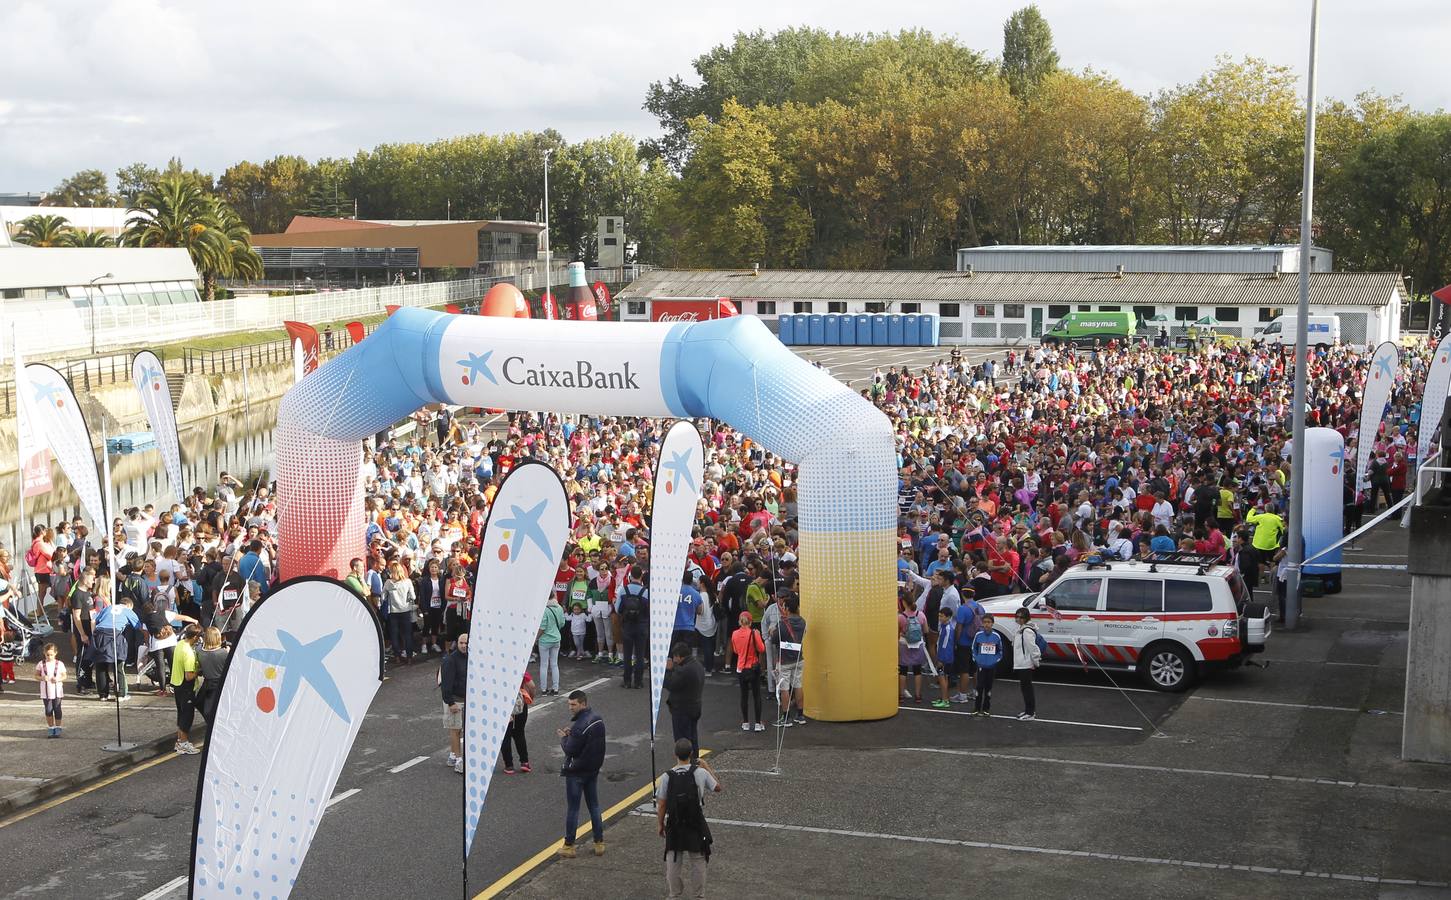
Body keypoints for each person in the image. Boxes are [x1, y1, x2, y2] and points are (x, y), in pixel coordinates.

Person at [656, 737, 721, 900]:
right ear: (691, 754)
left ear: (674, 754)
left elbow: (662, 804)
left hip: (675, 823)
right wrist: (706, 766)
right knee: (698, 860)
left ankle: (674, 894)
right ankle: (699, 896)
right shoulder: (700, 772)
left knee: (673, 860)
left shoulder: (666, 777)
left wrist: (660, 824)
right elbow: (718, 787)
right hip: (695, 822)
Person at [557, 689, 606, 858]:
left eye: (573, 704)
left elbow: (571, 749)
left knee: (573, 809)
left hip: (576, 772)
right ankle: (599, 843)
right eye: (569, 704)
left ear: (583, 704)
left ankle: (569, 846)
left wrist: (564, 738)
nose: (570, 708)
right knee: (594, 806)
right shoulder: (597, 719)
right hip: (592, 770)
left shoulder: (578, 727)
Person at [664, 642, 706, 761]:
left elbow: (670, 684)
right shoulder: (697, 665)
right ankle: (694, 761)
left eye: (674, 657)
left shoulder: (684, 670)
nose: (674, 660)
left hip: (682, 710)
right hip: (695, 707)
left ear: (679, 656)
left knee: (682, 740)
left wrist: (668, 670)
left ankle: (685, 765)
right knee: (693, 737)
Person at [769, 593, 806, 726]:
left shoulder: (783, 624)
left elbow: (774, 640)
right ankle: (800, 715)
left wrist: (772, 631)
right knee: (798, 685)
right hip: (798, 658)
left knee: (784, 688)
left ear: (787, 608)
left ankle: (786, 717)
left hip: (784, 660)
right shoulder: (802, 622)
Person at [171, 625, 203, 754]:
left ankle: (179, 741)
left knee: (181, 713)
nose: (199, 639)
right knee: (187, 715)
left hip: (176, 684)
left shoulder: (180, 644)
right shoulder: (189, 653)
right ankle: (183, 743)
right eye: (199, 637)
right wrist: (199, 671)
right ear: (195, 637)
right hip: (186, 687)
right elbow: (189, 676)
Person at [616, 566, 649, 689]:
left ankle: (627, 680)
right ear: (641, 576)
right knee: (640, 655)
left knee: (627, 654)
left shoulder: (624, 590)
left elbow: (618, 608)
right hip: (641, 626)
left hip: (627, 626)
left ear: (630, 576)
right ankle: (638, 681)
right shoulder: (645, 592)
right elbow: (649, 610)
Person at [441, 632, 468, 774]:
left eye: (466, 643)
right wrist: (450, 703)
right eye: (461, 643)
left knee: (462, 730)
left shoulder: (472, 658)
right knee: (456, 730)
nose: (464, 646)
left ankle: (452, 756)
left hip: (467, 700)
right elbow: (446, 684)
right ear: (457, 643)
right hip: (455, 701)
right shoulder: (450, 660)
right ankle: (458, 760)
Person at [501, 671, 535, 775]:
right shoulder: (519, 666)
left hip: (503, 702)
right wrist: (530, 698)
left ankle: (509, 765)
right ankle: (524, 762)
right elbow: (532, 686)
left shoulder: (497, 668)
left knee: (505, 735)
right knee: (519, 733)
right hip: (520, 703)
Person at [970, 614, 1004, 717]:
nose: (986, 624)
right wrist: (977, 659)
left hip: (991, 666)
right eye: (984, 622)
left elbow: (1000, 651)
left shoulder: (996, 636)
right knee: (979, 687)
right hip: (981, 665)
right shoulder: (978, 635)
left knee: (988, 688)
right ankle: (976, 708)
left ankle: (986, 709)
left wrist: (995, 661)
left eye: (989, 622)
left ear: (992, 623)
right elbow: (973, 648)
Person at [383, 561, 416, 664]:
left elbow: (383, 596)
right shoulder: (407, 582)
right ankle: (409, 657)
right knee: (407, 635)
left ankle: (397, 656)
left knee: (394, 635)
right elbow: (413, 596)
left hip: (393, 612)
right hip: (406, 610)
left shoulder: (388, 582)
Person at [898, 593, 929, 704]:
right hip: (918, 645)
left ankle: (901, 695)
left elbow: (897, 633)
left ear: (904, 602)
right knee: (917, 671)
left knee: (903, 671)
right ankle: (917, 695)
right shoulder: (920, 615)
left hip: (904, 645)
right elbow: (926, 631)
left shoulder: (901, 617)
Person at [1012, 608, 1042, 720]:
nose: (1018, 619)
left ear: (1026, 618)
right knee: (1025, 688)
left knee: (1027, 688)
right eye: (1017, 616)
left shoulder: (1026, 631)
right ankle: (1027, 711)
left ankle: (1030, 713)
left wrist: (1035, 662)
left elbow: (1032, 648)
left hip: (1026, 664)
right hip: (1022, 663)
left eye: (1021, 617)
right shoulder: (1021, 629)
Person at [195, 627, 228, 722]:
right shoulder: (223, 653)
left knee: (200, 703)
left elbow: (199, 646)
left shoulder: (199, 650)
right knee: (210, 709)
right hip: (219, 683)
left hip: (208, 683)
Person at [35, 642, 66, 738]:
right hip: (46, 691)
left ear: (55, 653)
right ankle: (51, 727)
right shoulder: (41, 664)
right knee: (48, 710)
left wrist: (58, 679)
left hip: (57, 691)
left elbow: (64, 676)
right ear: (44, 653)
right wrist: (42, 678)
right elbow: (36, 675)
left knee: (57, 709)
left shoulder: (60, 664)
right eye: (47, 655)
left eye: (51, 655)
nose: (49, 657)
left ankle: (58, 727)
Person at [537, 595, 565, 695]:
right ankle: (556, 688)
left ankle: (544, 689)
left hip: (544, 640)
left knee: (544, 665)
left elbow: (542, 627)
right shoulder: (559, 607)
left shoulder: (544, 609)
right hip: (556, 639)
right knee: (554, 664)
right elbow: (562, 623)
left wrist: (536, 638)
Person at [932, 607, 956, 708]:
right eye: (939, 616)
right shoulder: (943, 626)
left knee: (943, 679)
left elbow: (945, 645)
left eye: (942, 616)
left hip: (945, 658)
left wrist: (941, 659)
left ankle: (945, 700)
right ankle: (943, 698)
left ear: (948, 617)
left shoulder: (948, 628)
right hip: (943, 656)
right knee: (943, 678)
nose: (940, 618)